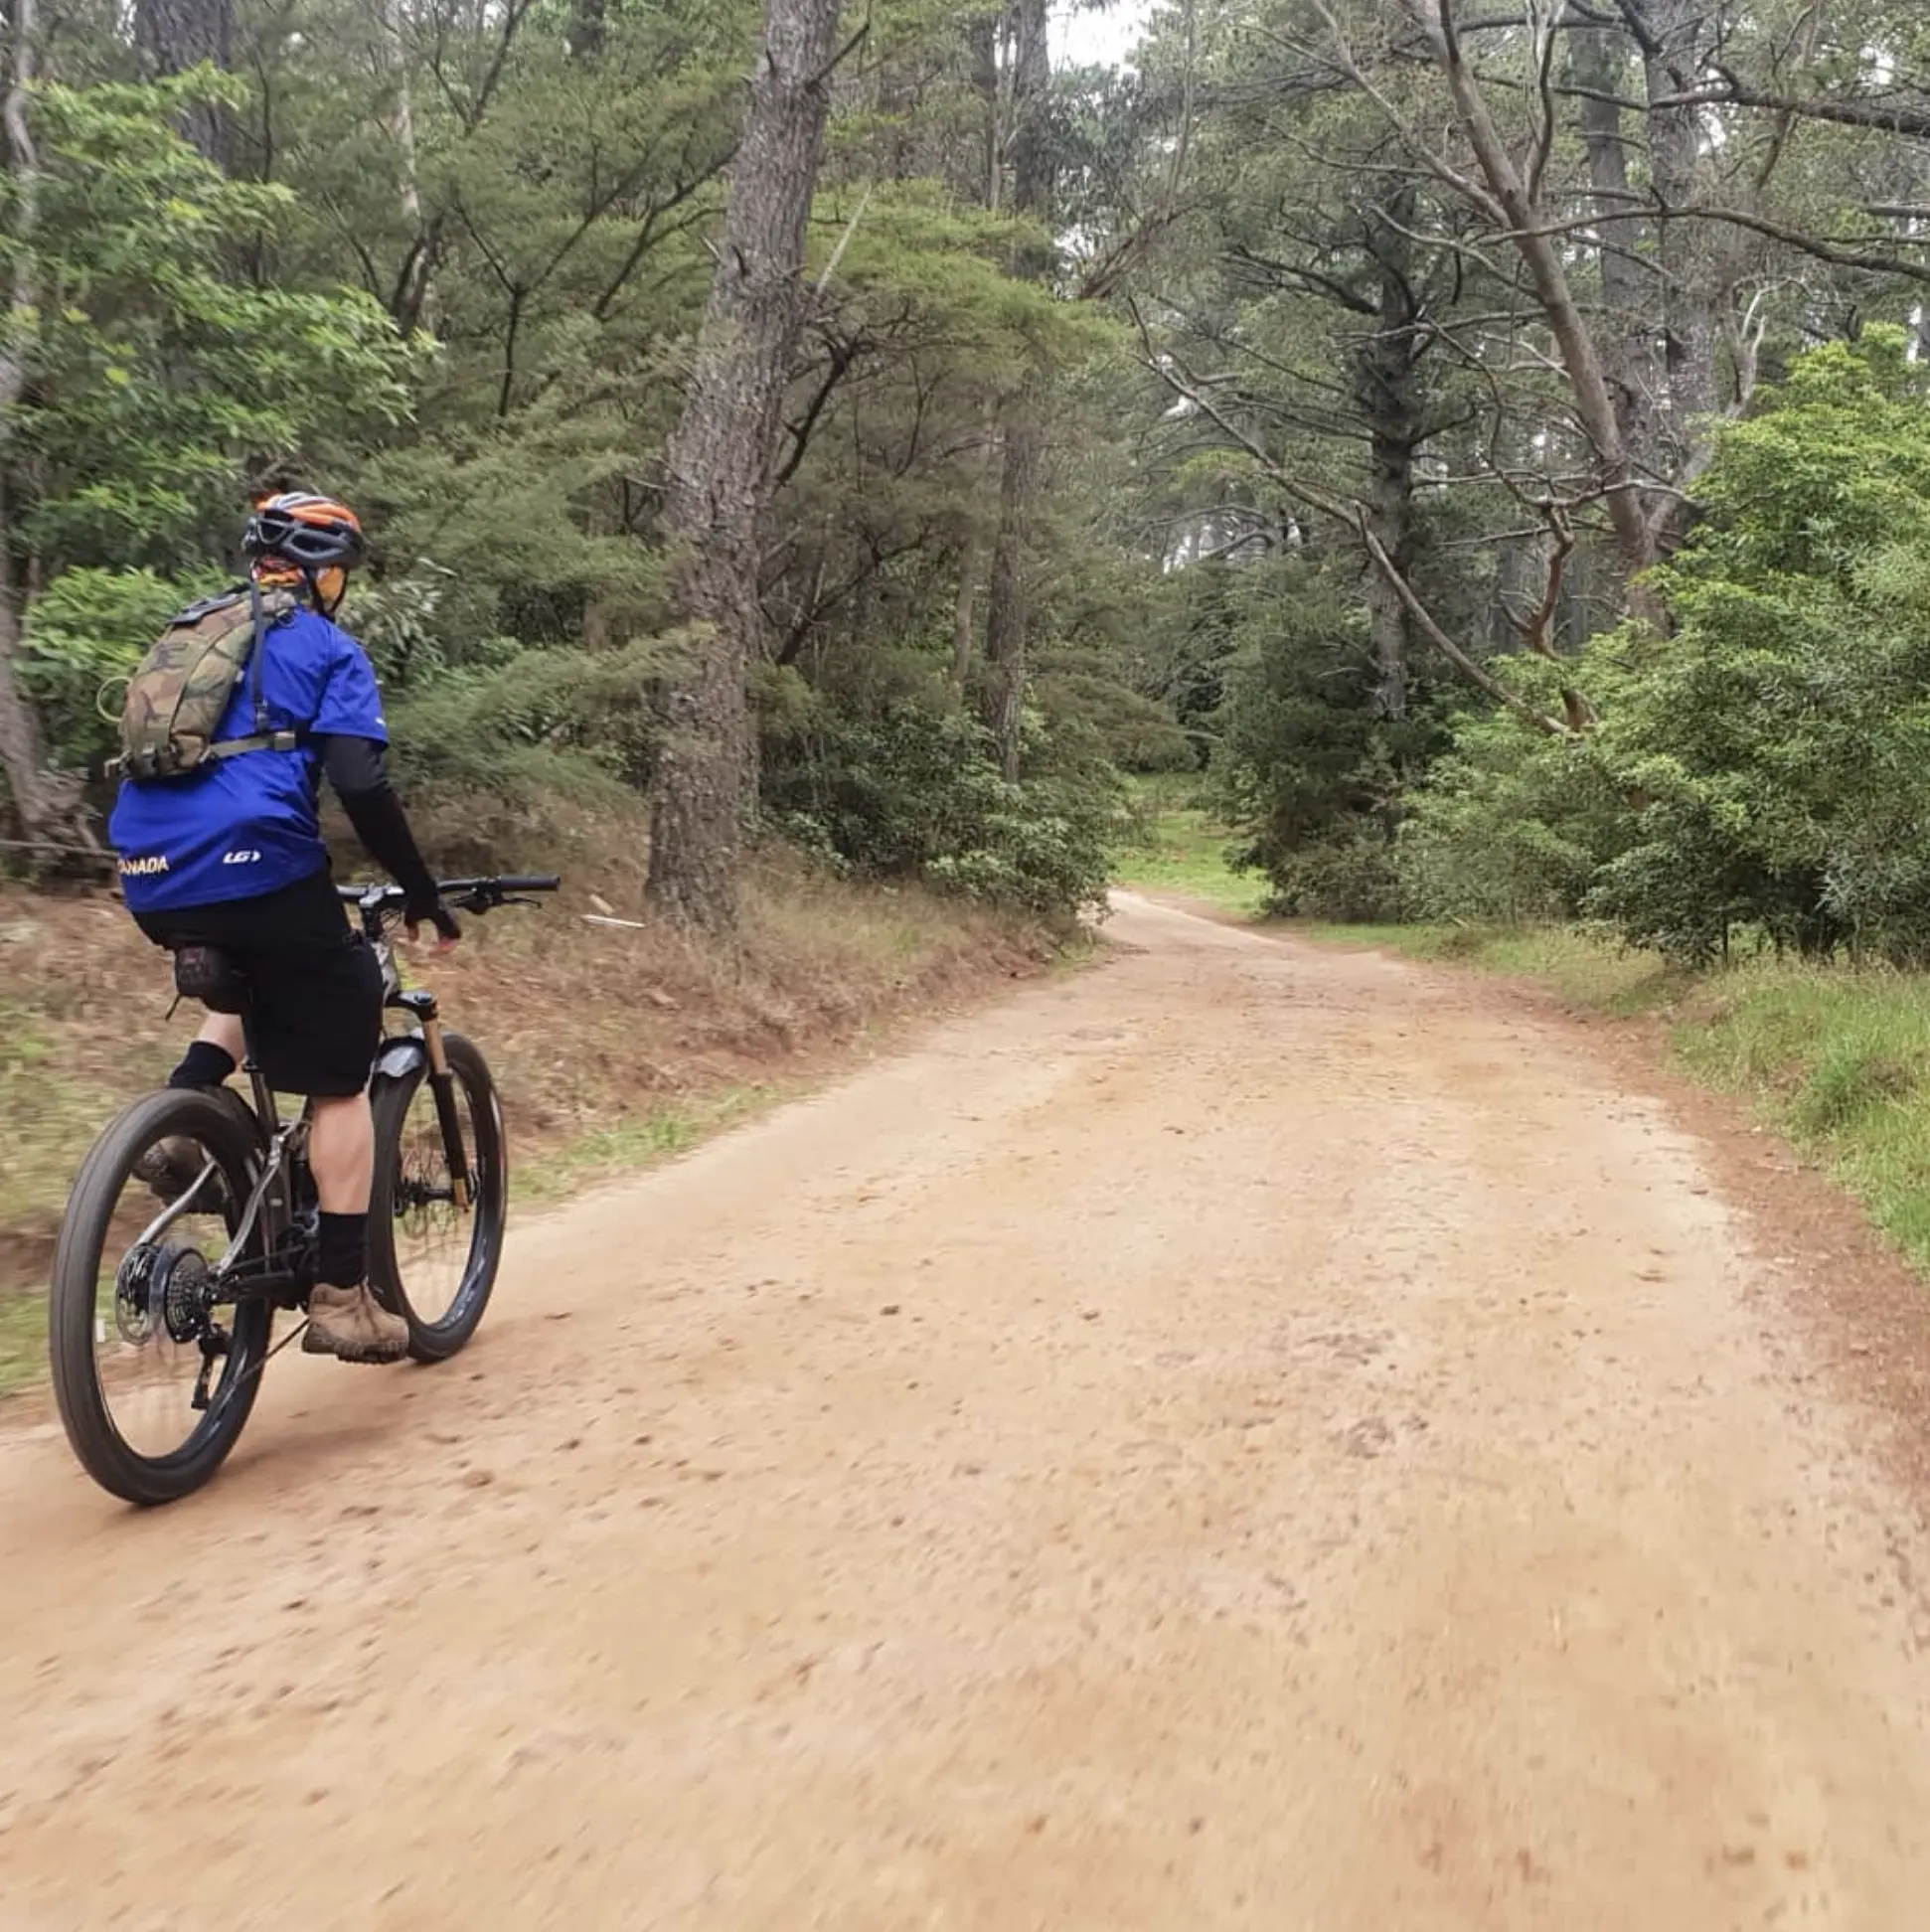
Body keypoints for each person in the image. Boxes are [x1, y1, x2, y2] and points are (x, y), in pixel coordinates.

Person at [108, 490, 457, 1365]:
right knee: (340, 1073)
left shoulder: (193, 635)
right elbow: (361, 785)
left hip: (148, 874)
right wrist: (421, 893)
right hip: (260, 862)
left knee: (255, 973)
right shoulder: (328, 647)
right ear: (323, 572)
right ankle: (341, 1294)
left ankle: (185, 1118)